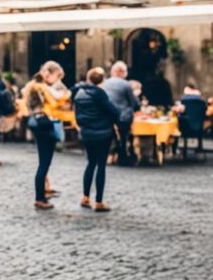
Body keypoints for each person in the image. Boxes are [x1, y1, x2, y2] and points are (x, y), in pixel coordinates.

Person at [72, 68, 120, 212]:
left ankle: (85, 197)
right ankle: (99, 201)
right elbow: (114, 111)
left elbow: (77, 115)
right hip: (102, 133)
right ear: (102, 80)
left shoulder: (79, 93)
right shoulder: (99, 93)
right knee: (101, 166)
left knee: (90, 163)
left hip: (86, 133)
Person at [24, 61, 66, 210]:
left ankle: (42, 193)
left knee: (44, 163)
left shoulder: (33, 85)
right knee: (44, 164)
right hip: (44, 125)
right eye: (56, 76)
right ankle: (40, 198)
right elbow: (56, 99)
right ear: (48, 74)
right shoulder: (40, 87)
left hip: (39, 124)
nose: (57, 80)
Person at [102, 61, 140, 165]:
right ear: (123, 73)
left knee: (113, 133)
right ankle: (123, 154)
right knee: (125, 133)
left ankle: (113, 151)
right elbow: (134, 104)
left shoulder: (104, 83)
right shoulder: (126, 85)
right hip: (122, 116)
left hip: (107, 116)